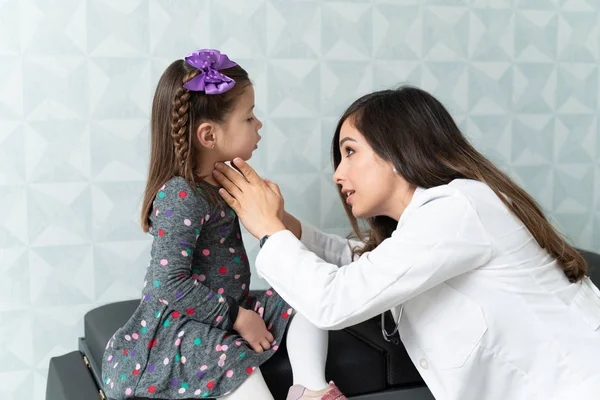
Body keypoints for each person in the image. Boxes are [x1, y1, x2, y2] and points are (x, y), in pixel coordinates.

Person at [212, 86, 600, 400]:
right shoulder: (428, 225)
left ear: (396, 150)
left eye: (350, 152)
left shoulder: (459, 207)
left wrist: (268, 230)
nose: (338, 174)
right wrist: (283, 224)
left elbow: (334, 300)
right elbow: (359, 262)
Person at [101, 49, 347, 400]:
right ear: (208, 135)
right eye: (249, 118)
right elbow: (168, 283)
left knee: (304, 294)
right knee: (233, 362)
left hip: (223, 310)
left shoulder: (221, 182)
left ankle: (311, 389)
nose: (258, 124)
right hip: (183, 327)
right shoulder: (180, 195)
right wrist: (238, 318)